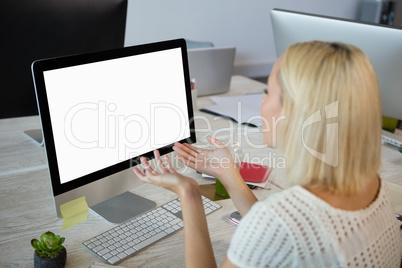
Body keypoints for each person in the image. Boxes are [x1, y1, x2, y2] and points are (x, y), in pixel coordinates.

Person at [133, 41, 401, 267]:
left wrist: (189, 193)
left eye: (267, 92)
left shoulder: (280, 220)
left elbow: (277, 228)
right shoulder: (374, 184)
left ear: (295, 112)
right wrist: (229, 174)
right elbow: (280, 234)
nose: (261, 102)